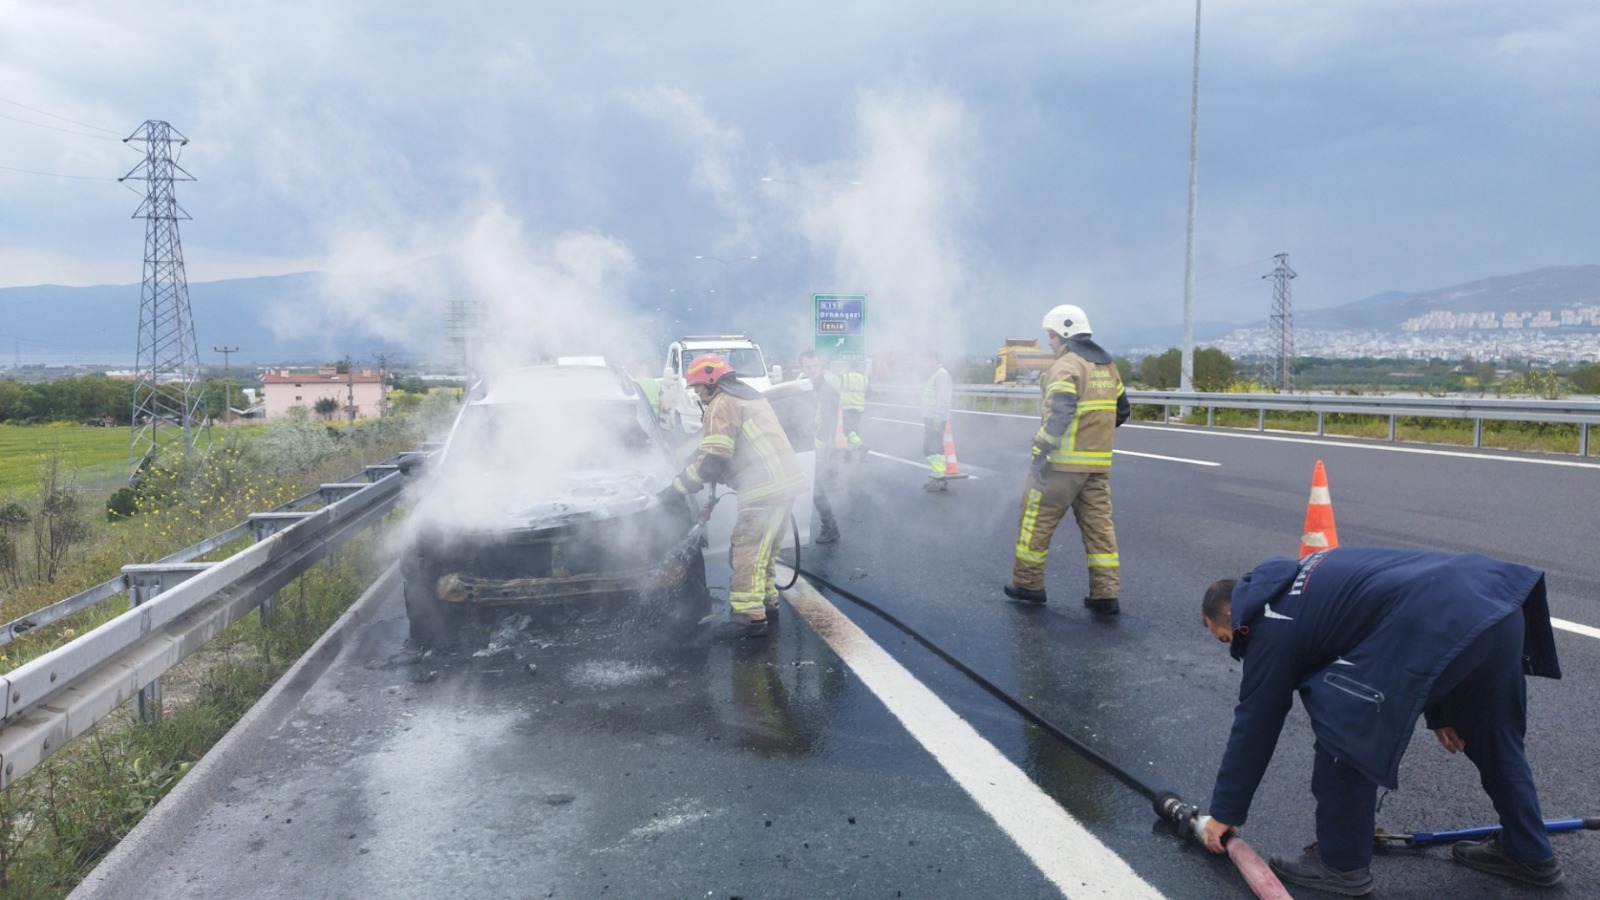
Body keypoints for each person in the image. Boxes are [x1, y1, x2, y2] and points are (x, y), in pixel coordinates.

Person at [1200, 546, 1564, 895]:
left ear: (1231, 616)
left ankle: (1341, 864)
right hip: (1499, 608)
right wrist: (1440, 708)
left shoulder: (1267, 626)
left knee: (1344, 721)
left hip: (1447, 625)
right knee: (1495, 741)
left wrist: (1224, 813)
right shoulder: (1307, 572)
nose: (1233, 647)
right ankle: (1530, 852)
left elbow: (1256, 722)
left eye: (1224, 638)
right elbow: (1400, 611)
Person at [663, 353, 806, 640]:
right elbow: (715, 449)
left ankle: (748, 619)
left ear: (711, 382)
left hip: (762, 488)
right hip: (783, 483)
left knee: (747, 550)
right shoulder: (750, 398)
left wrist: (676, 489)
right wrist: (693, 462)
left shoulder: (722, 404)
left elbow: (714, 459)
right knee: (764, 552)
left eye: (698, 388)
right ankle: (767, 603)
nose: (697, 395)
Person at [1003, 304, 1128, 613]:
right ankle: (1106, 595)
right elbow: (1122, 411)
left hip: (1061, 466)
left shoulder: (1066, 366)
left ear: (1064, 335)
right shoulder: (1108, 367)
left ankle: (1028, 586)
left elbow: (1060, 411)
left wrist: (1040, 449)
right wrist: (1092, 440)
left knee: (1036, 521)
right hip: (1096, 467)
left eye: (1051, 336)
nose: (1049, 342)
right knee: (1100, 530)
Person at [798, 349, 842, 545]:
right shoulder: (800, 385)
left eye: (815, 366)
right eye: (808, 366)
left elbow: (829, 421)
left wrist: (817, 444)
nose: (812, 369)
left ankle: (830, 527)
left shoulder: (826, 389)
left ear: (820, 366)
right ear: (802, 367)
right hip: (800, 443)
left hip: (816, 446)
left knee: (815, 487)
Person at [919, 350, 953, 491]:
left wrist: (938, 415)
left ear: (933, 359)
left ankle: (940, 478)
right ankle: (938, 476)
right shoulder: (935, 374)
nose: (923, 364)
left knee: (931, 447)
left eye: (925, 361)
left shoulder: (941, 374)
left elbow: (942, 397)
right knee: (932, 447)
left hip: (935, 417)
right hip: (931, 416)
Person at [840, 359, 870, 459]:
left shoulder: (845, 377)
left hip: (847, 407)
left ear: (849, 366)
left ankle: (861, 446)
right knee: (854, 430)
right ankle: (848, 453)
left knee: (847, 430)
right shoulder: (864, 378)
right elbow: (869, 393)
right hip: (859, 408)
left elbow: (837, 389)